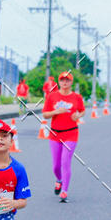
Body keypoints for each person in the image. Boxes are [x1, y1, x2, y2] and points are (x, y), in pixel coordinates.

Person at [42, 71, 85, 202]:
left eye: (67, 80)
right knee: (56, 165)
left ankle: (64, 190)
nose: (65, 82)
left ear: (71, 82)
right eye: (62, 80)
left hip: (71, 133)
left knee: (65, 162)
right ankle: (59, 180)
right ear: (59, 82)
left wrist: (78, 115)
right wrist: (56, 111)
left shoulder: (77, 97)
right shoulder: (52, 96)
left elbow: (82, 110)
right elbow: (45, 115)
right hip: (55, 134)